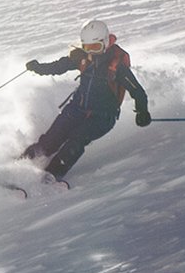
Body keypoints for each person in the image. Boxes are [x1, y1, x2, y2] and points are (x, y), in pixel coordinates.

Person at [21, 20, 151, 179]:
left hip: (102, 117)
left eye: (95, 47)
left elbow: (137, 91)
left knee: (77, 139)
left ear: (104, 42)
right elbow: (58, 67)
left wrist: (142, 111)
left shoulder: (116, 66)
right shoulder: (82, 58)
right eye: (87, 47)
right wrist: (39, 68)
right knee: (51, 139)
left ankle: (52, 175)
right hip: (77, 108)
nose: (91, 52)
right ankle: (21, 165)